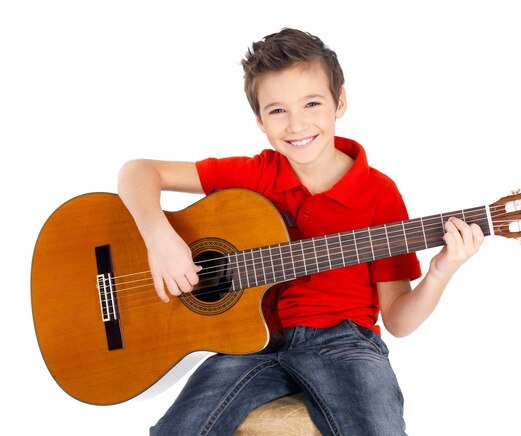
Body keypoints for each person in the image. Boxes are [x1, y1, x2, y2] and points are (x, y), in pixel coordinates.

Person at [118, 28, 483, 436]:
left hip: (345, 345)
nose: (297, 124)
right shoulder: (254, 174)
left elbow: (398, 321)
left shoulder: (378, 193)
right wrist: (160, 240)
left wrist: (440, 272)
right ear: (259, 119)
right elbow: (138, 171)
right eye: (277, 111)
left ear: (339, 101)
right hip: (246, 344)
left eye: (312, 103)